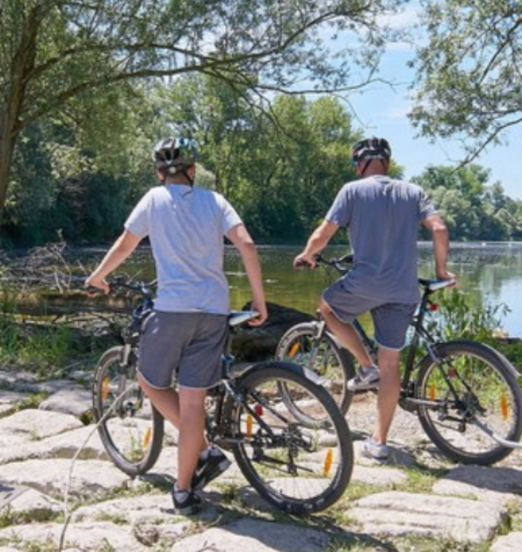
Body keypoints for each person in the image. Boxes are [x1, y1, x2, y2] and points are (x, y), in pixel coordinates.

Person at [86, 137, 268, 514]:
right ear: (193, 170)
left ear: (158, 172)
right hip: (214, 311)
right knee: (192, 403)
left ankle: (205, 450)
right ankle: (184, 490)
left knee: (150, 382)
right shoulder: (216, 201)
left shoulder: (153, 200)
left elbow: (125, 245)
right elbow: (247, 246)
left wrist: (98, 277)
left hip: (171, 311)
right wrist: (259, 299)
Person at [294, 136, 453, 461]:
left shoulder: (352, 191)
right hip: (403, 289)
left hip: (365, 283)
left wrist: (308, 255)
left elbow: (324, 234)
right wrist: (441, 270)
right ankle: (379, 442)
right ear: (387, 164)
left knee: (327, 307)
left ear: (359, 164)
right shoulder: (412, 191)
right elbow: (438, 229)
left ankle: (365, 366)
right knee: (391, 363)